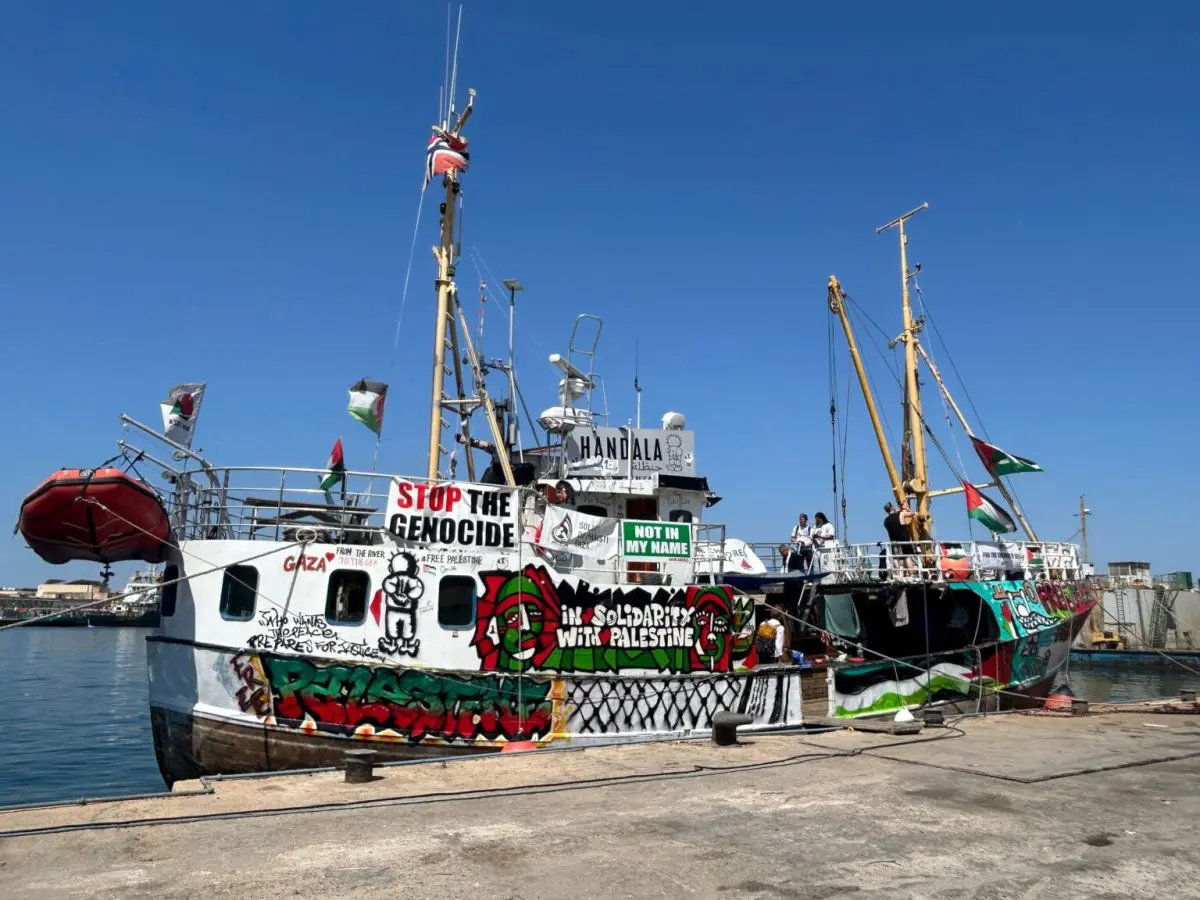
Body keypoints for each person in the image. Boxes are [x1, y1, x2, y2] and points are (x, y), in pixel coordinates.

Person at [883, 502, 916, 572]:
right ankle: (912, 574)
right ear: (892, 507)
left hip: (894, 541)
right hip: (904, 540)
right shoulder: (901, 514)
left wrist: (896, 511)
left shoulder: (886, 521)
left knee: (895, 558)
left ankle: (897, 574)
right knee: (907, 557)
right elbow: (913, 513)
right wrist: (907, 508)